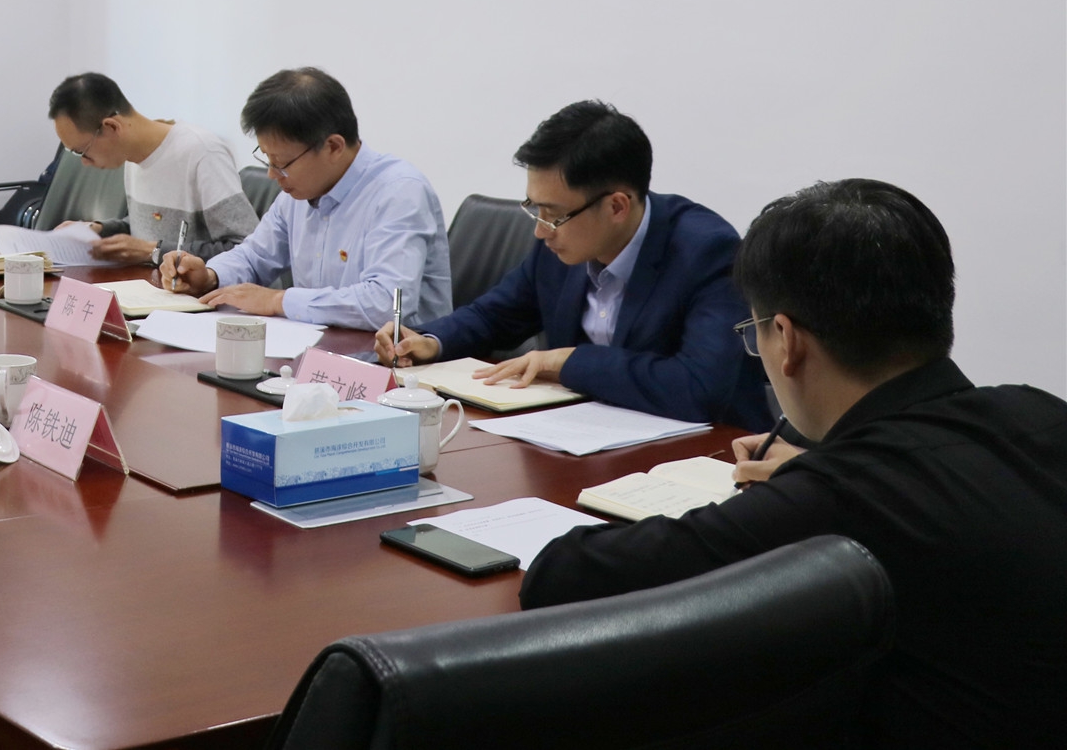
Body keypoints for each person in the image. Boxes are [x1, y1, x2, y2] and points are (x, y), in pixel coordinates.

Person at [521, 179, 1067, 743]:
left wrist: (810, 481)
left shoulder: (841, 495)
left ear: (786, 339)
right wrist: (816, 466)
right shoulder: (1039, 410)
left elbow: (565, 576)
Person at [376, 100, 766, 428]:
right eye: (535, 209)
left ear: (617, 206)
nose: (540, 231)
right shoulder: (561, 245)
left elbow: (698, 387)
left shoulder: (707, 252)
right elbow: (495, 314)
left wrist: (571, 361)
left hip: (704, 455)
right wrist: (430, 341)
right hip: (583, 435)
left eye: (553, 214)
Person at [161, 68, 451, 330]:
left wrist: (278, 300)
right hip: (316, 350)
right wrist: (210, 276)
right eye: (268, 159)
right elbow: (254, 256)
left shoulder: (399, 193)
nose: (272, 175)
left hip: (397, 364)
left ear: (333, 146)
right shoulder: (298, 192)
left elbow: (386, 304)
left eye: (282, 163)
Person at [47, 72, 257, 264]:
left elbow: (245, 248)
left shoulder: (202, 153)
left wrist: (153, 251)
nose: (84, 162)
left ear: (111, 127)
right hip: (144, 286)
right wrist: (98, 230)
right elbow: (150, 229)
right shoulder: (132, 158)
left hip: (192, 292)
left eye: (82, 151)